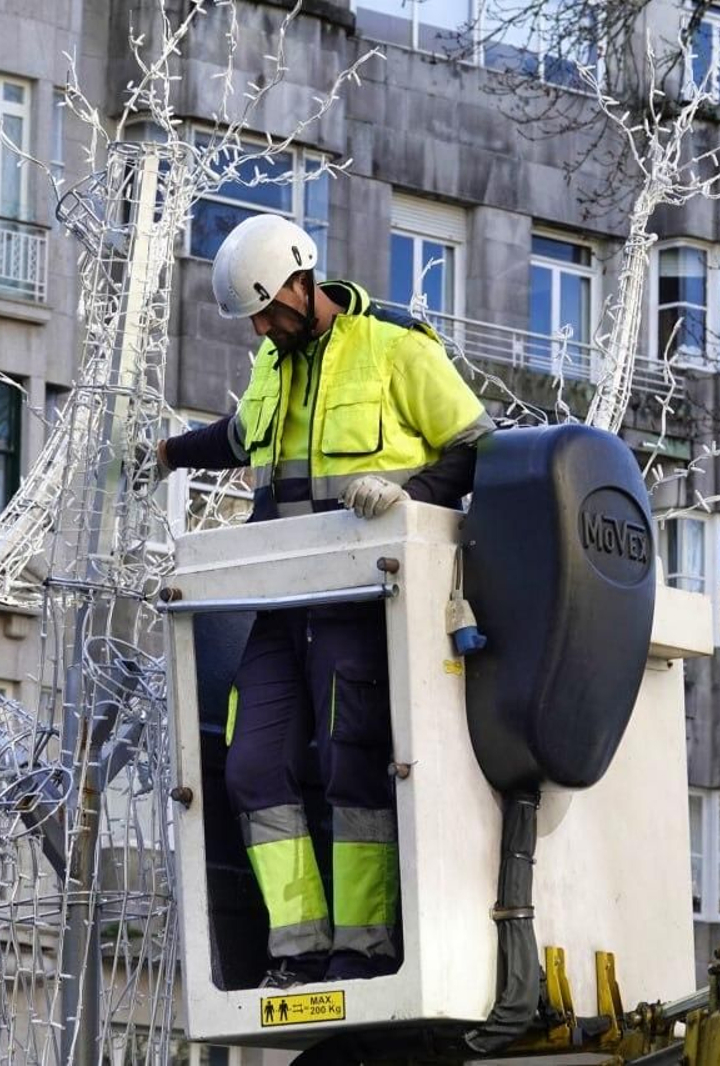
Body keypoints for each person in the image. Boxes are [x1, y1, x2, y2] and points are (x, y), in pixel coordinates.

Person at [153, 213, 493, 987]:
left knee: (351, 762)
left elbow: (478, 445)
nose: (266, 329)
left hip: (363, 601)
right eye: (255, 320)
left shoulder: (398, 347)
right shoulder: (273, 363)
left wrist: (409, 493)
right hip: (283, 604)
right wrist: (166, 453)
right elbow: (240, 438)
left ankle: (360, 948)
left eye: (272, 310)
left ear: (306, 282)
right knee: (251, 766)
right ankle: (298, 949)